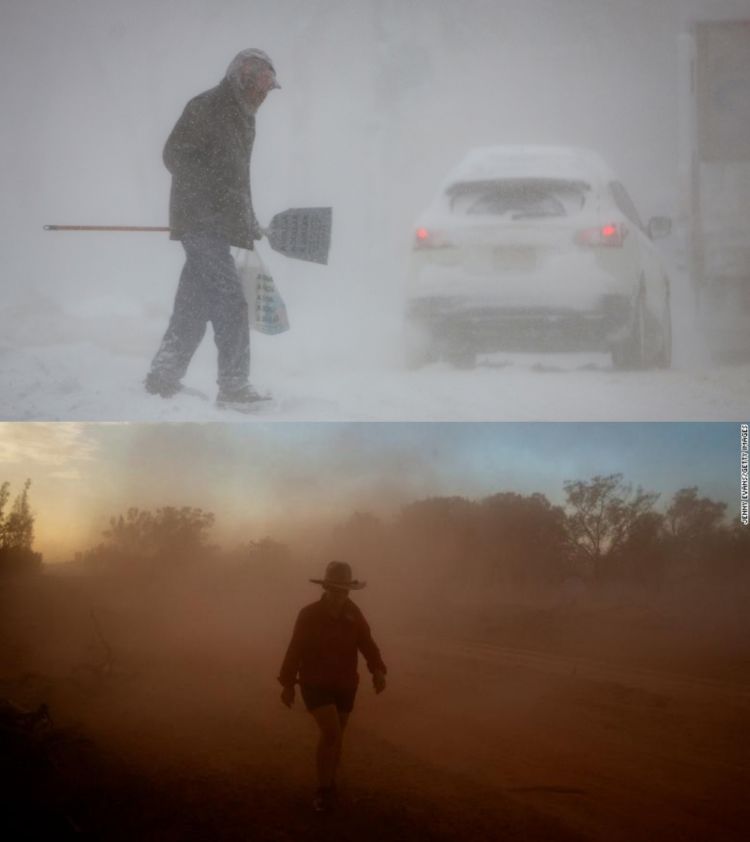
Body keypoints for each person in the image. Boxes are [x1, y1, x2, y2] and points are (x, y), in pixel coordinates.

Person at [144, 48, 281, 411]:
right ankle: (233, 385)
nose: (263, 96)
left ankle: (163, 376)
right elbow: (174, 154)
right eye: (259, 89)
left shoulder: (243, 117)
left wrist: (247, 218)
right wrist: (212, 193)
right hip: (200, 221)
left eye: (268, 91)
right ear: (242, 80)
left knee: (194, 303)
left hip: (219, 225)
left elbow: (236, 180)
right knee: (230, 299)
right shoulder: (206, 107)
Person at [278, 561, 387, 812]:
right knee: (331, 733)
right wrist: (288, 683)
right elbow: (295, 648)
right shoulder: (308, 615)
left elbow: (367, 644)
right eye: (336, 589)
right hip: (315, 683)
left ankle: (331, 783)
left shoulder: (354, 614)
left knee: (338, 735)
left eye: (345, 590)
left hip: (345, 684)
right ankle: (323, 790)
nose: (340, 595)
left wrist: (378, 670)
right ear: (326, 587)